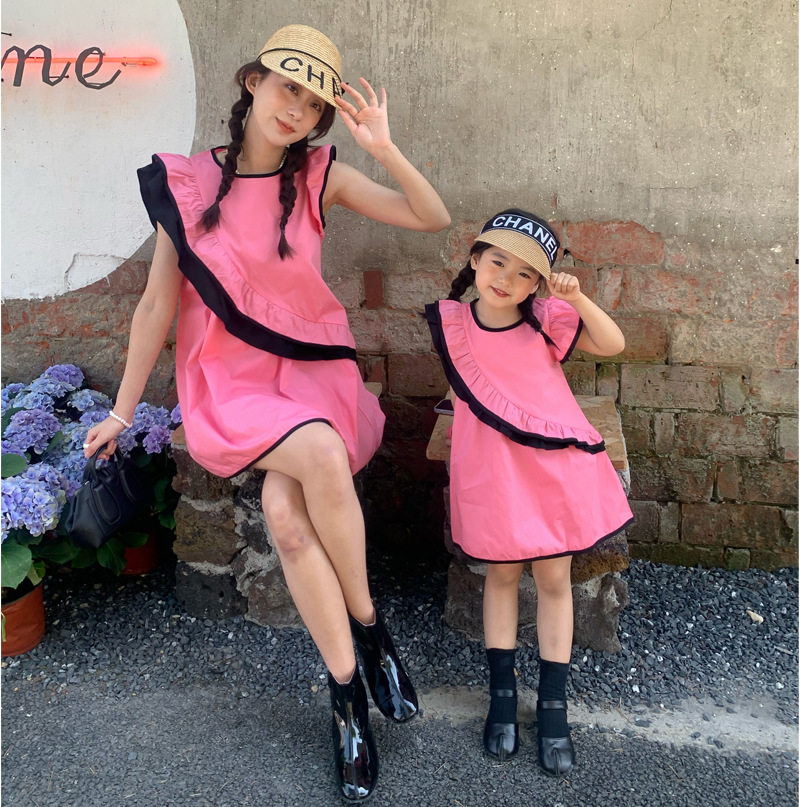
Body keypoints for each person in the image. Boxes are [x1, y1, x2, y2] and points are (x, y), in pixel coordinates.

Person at [84, 24, 450, 803]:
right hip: (232, 381)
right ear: (252, 82)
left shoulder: (320, 175)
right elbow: (156, 306)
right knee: (316, 457)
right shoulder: (188, 185)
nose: (298, 111)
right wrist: (122, 410)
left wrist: (382, 147)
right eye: (289, 88)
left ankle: (349, 685)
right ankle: (369, 637)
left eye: (314, 104)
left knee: (288, 516)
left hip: (312, 371)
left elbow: (431, 217)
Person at [424, 209, 633, 776]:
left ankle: (553, 708)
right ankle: (501, 699)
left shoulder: (546, 320)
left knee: (554, 580)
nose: (506, 280)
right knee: (500, 576)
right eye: (498, 262)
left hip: (549, 471)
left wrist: (577, 298)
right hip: (492, 471)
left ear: (537, 284)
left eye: (524, 274)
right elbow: (465, 390)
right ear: (476, 259)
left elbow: (612, 343)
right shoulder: (453, 324)